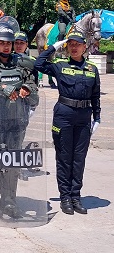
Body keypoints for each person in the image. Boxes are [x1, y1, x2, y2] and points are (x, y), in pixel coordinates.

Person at [0, 17, 38, 218]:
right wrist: (1, 89)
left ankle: (9, 202)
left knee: (12, 164)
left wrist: (28, 88)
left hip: (16, 122)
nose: (6, 46)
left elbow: (34, 91)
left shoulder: (22, 65)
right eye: (2, 43)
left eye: (9, 43)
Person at [34, 30, 100, 215]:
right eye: (70, 44)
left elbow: (95, 95)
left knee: (79, 158)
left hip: (84, 117)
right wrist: (53, 46)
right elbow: (38, 64)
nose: (74, 47)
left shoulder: (92, 69)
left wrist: (97, 117)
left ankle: (75, 197)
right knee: (64, 157)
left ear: (84, 47)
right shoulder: (60, 65)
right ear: (67, 47)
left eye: (77, 44)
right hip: (64, 115)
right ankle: (65, 198)